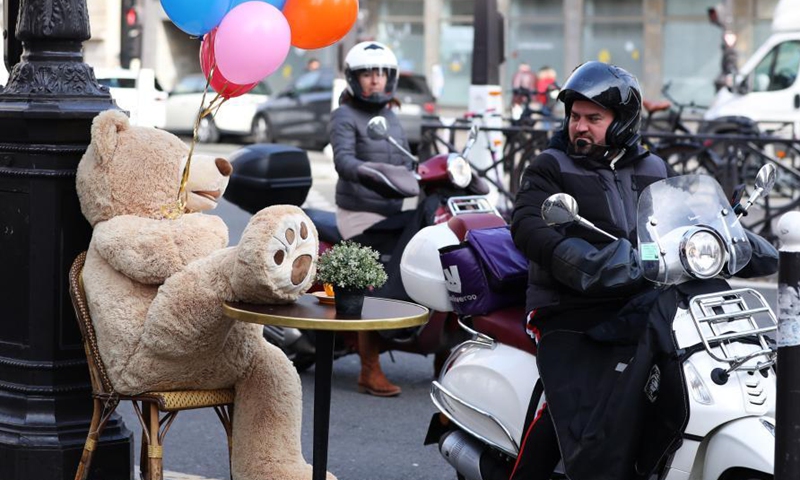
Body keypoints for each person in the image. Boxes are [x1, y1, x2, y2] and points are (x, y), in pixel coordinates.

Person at [509, 61, 778, 480]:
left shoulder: (654, 169)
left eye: (594, 118)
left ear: (622, 122)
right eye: (576, 116)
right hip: (569, 309)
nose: (580, 126)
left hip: (641, 300)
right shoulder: (550, 167)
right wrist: (596, 264)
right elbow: (532, 229)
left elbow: (687, 218)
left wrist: (735, 239)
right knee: (580, 406)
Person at [328, 41, 412, 397]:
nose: (375, 81)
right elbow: (343, 161)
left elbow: (407, 160)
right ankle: (369, 369)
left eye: (381, 73)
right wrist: (373, 172)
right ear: (353, 78)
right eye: (367, 73)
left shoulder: (391, 115)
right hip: (359, 213)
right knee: (372, 283)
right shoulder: (344, 116)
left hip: (391, 211)